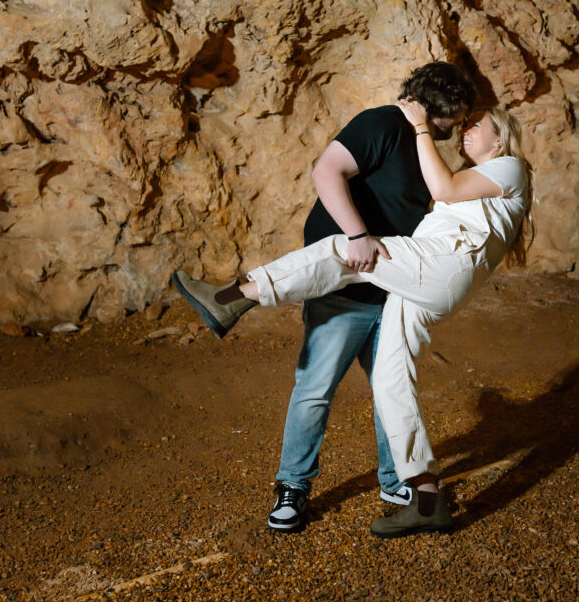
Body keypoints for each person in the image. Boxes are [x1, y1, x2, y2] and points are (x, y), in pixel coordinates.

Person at [174, 102, 534, 537]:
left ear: (502, 137)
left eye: (478, 124)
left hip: (441, 267)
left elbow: (443, 188)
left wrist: (420, 125)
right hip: (426, 280)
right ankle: (426, 500)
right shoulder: (481, 184)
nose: (467, 129)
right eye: (467, 122)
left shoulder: (511, 166)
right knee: (390, 381)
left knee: (341, 249)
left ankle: (231, 297)